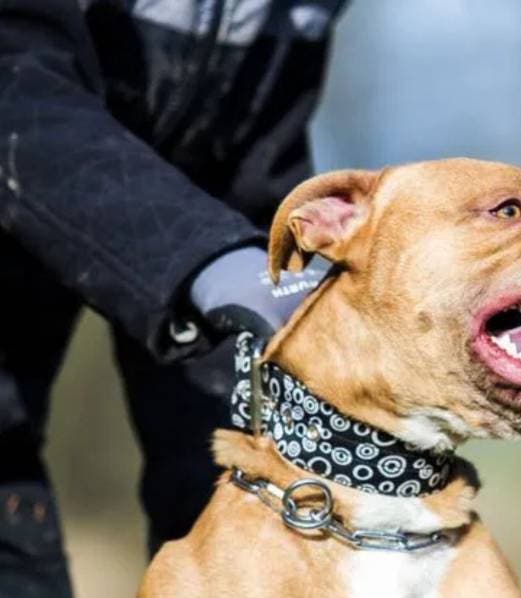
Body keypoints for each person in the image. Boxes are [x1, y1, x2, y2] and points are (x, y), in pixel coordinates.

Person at [0, 1, 350, 595]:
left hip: (211, 209)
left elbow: (255, 145)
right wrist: (209, 259)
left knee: (245, 497)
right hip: (37, 147)